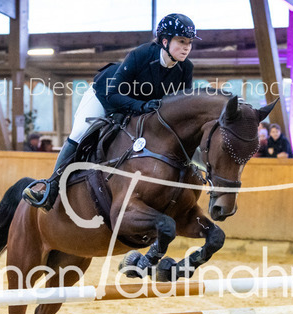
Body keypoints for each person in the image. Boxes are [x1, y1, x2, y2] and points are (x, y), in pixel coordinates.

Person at [23, 13, 198, 209]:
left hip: (140, 108)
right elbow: (113, 94)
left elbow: (179, 106)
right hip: (105, 95)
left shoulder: (186, 68)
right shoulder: (141, 55)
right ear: (165, 41)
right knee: (80, 133)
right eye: (181, 41)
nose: (186, 47)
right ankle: (51, 187)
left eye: (189, 43)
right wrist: (141, 107)